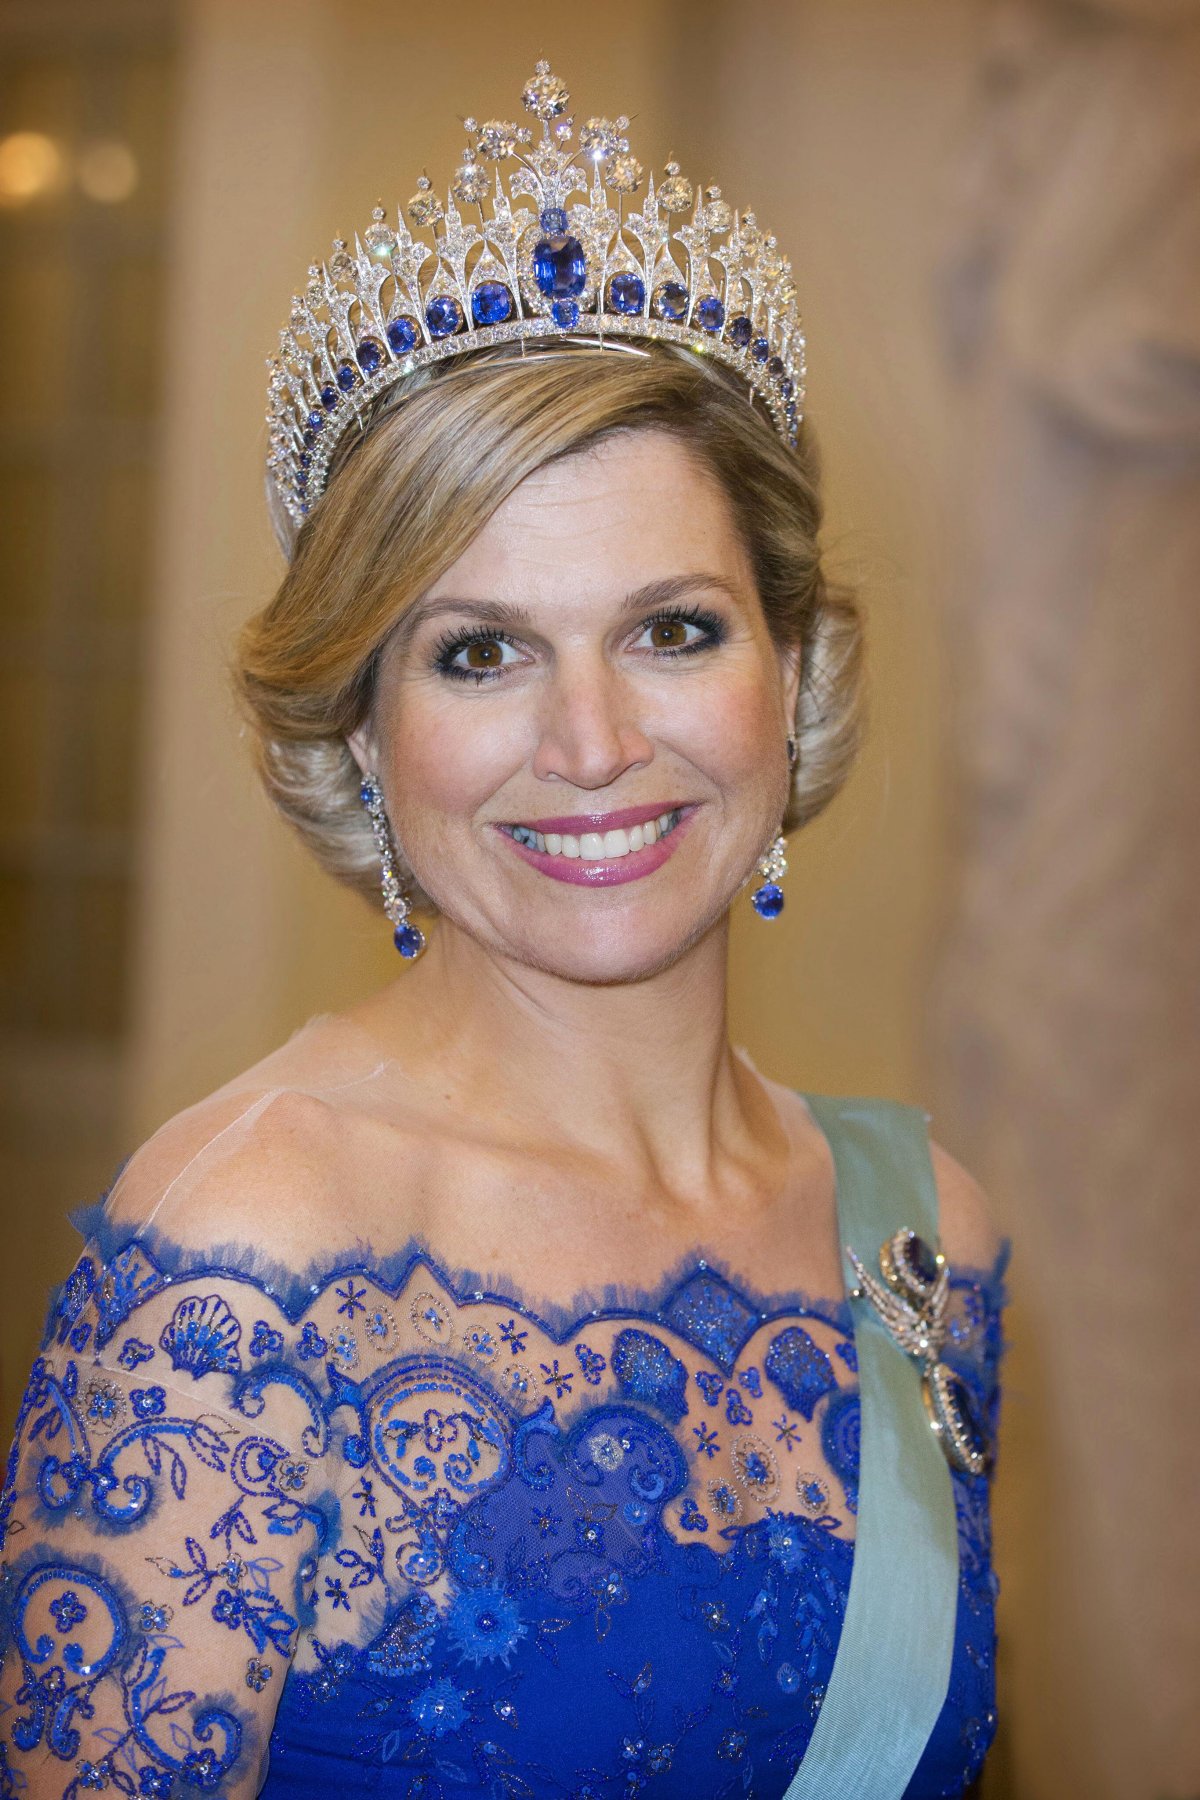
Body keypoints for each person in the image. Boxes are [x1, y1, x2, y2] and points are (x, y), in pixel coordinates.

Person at [0, 62, 1010, 1800]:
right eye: (479, 651)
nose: (596, 741)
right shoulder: (253, 1253)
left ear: (793, 672)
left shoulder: (926, 1240)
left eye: (674, 632)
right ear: (365, 737)